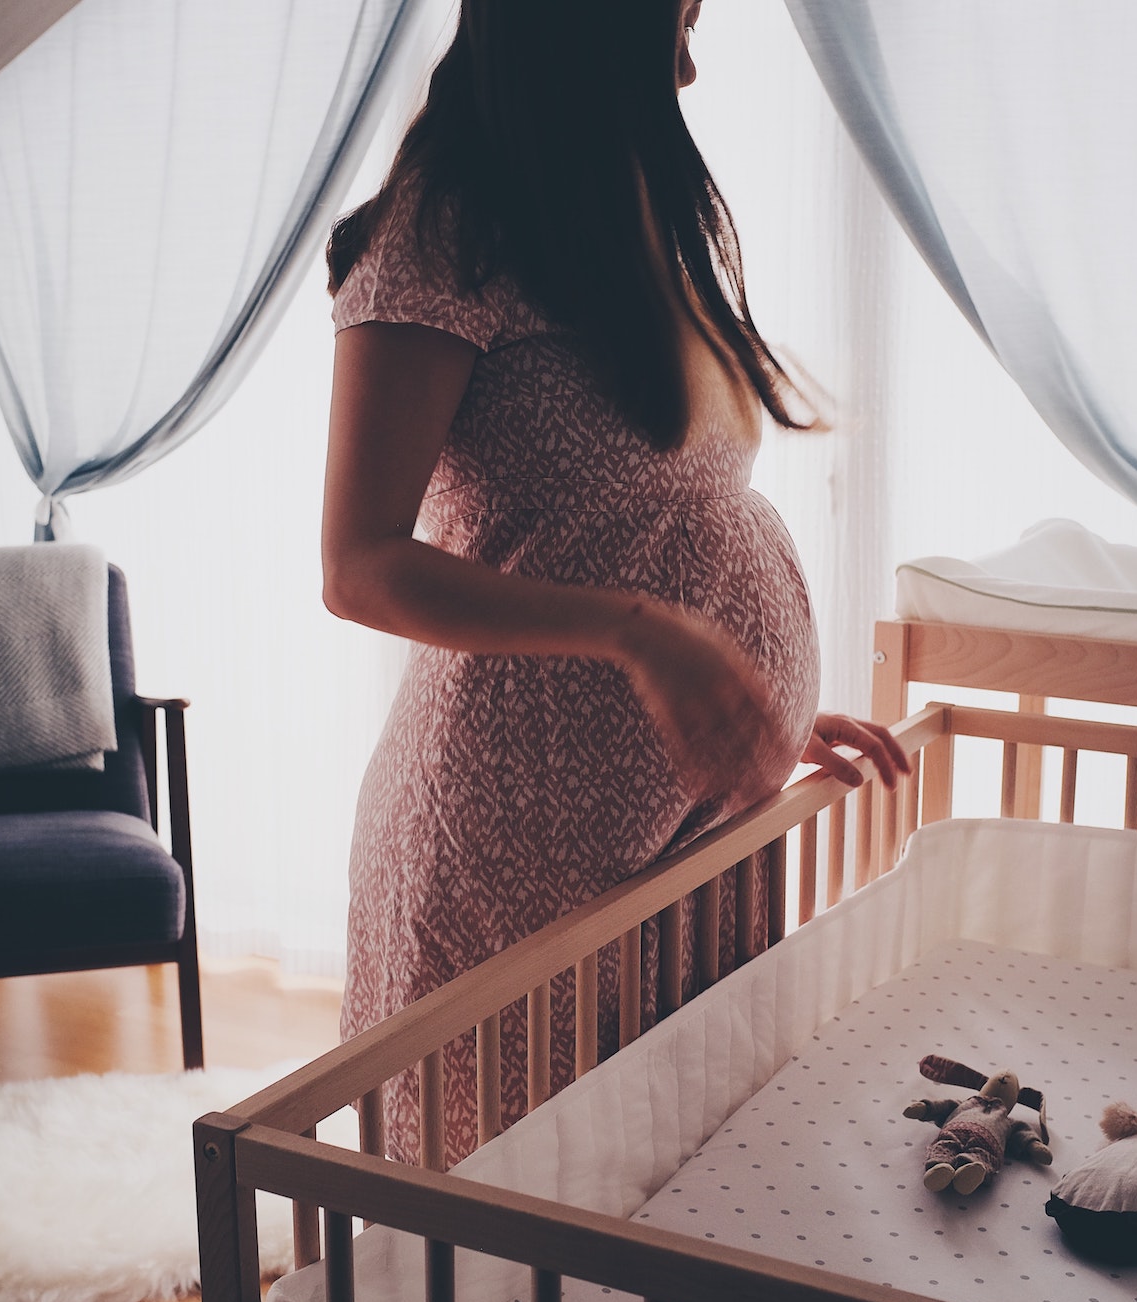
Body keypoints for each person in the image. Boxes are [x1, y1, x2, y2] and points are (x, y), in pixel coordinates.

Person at [321, 0, 908, 1167]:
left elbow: (647, 517)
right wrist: (645, 636)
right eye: (675, 21)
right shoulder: (443, 231)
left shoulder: (627, 215)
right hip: (510, 855)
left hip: (677, 843)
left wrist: (746, 711)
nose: (690, 59)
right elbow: (358, 564)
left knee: (658, 1180)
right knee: (516, 1218)